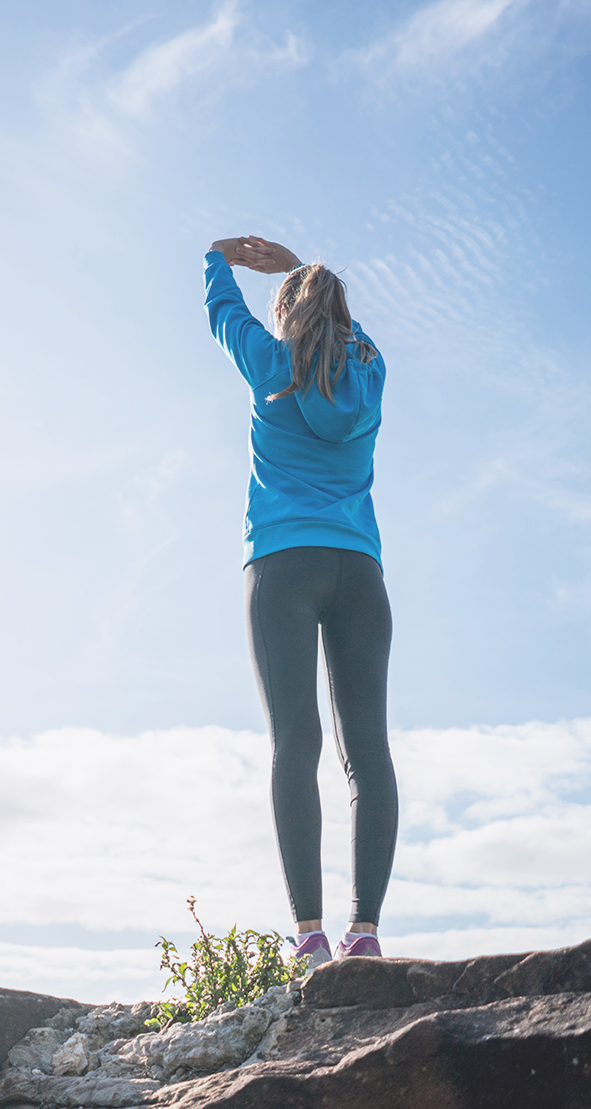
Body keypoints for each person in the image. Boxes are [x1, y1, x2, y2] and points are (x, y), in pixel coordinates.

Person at [204, 235, 398, 968]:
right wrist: (301, 274)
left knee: (296, 742)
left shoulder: (266, 364)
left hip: (282, 564)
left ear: (285, 314)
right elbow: (351, 336)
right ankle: (366, 934)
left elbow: (223, 312)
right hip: (359, 570)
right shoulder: (371, 370)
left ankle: (310, 937)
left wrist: (221, 257)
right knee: (366, 750)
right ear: (345, 318)